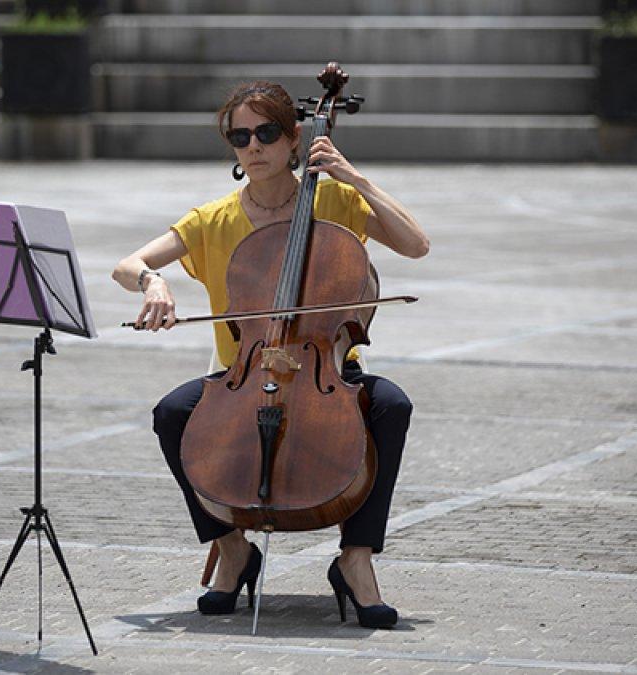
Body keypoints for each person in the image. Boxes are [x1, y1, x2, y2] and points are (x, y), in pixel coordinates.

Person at [111, 81, 429, 628]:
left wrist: (355, 178)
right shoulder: (213, 219)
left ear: (294, 138)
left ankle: (356, 559)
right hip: (243, 374)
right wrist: (152, 284)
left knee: (391, 406)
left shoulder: (333, 200)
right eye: (240, 136)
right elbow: (128, 262)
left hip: (328, 373)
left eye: (266, 132)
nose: (253, 146)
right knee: (172, 413)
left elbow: (415, 243)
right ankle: (233, 549)